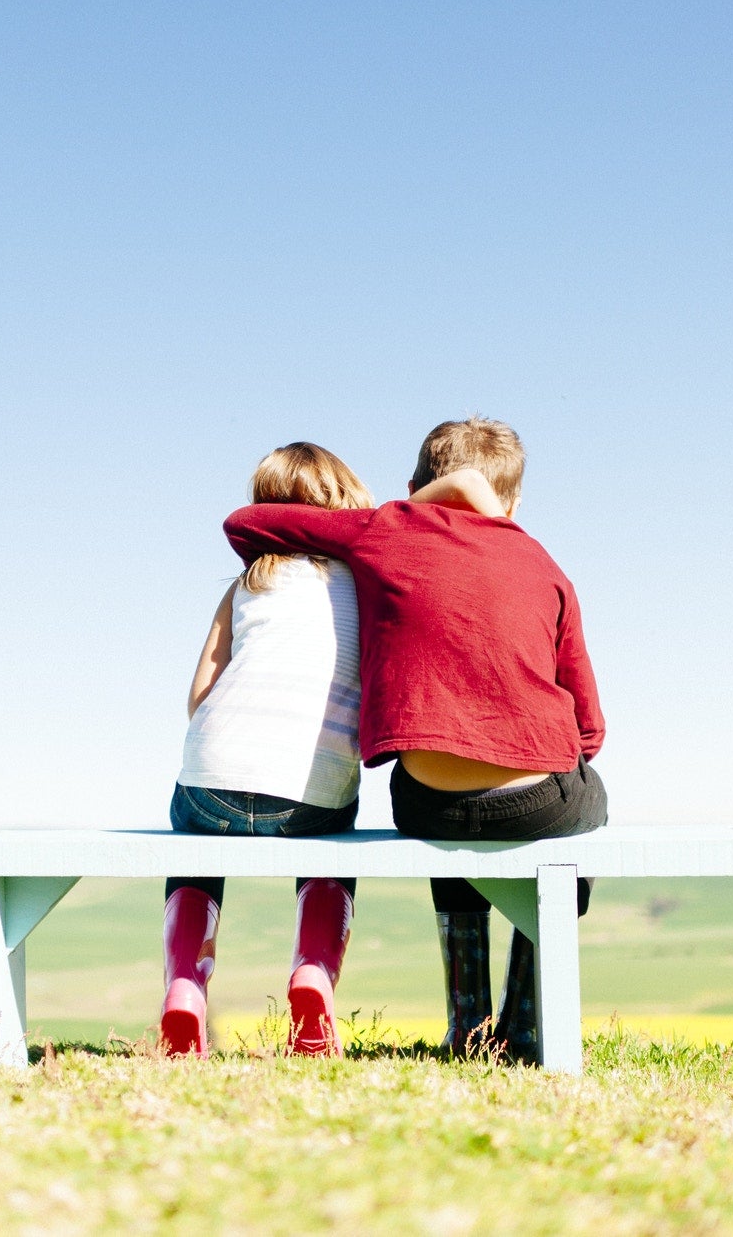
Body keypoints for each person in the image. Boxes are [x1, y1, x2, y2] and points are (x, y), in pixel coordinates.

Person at [221, 418, 606, 1061]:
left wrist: (402, 510)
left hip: (427, 802)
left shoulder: (385, 530)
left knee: (450, 809)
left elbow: (244, 522)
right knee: (584, 821)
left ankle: (468, 1024)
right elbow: (589, 729)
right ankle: (527, 1022)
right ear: (513, 502)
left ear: (411, 487)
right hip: (537, 799)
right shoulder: (544, 564)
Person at [164, 442, 492, 1057]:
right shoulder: (373, 587)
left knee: (193, 853)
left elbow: (201, 692)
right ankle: (313, 973)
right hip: (310, 799)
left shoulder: (247, 584)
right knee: (331, 845)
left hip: (211, 785)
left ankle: (184, 987)